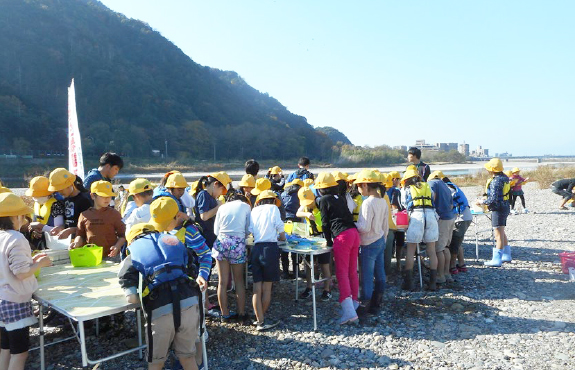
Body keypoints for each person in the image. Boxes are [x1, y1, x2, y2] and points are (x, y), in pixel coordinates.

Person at [118, 197, 209, 370]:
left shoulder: (134, 253)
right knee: (187, 356)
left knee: (157, 361)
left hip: (160, 307)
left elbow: (128, 288)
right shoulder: (173, 242)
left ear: (132, 242)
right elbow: (190, 266)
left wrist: (137, 298)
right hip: (189, 301)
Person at [0, 192, 52, 370]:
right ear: (16, 217)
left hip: (1, 300)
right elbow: (21, 272)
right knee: (20, 352)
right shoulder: (16, 238)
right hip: (14, 301)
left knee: (5, 348)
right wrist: (40, 263)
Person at [315, 172, 360, 325]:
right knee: (352, 271)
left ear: (321, 189)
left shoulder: (323, 200)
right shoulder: (339, 198)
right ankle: (355, 303)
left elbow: (325, 222)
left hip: (342, 237)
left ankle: (348, 312)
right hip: (354, 233)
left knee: (341, 273)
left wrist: (328, 241)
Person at [249, 190, 286, 331]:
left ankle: (258, 319)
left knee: (256, 288)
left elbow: (250, 230)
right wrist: (282, 238)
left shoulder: (255, 210)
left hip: (256, 248)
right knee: (267, 288)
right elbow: (280, 229)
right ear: (272, 200)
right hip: (270, 249)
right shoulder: (274, 208)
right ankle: (262, 321)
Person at [212, 190, 251, 323]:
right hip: (237, 243)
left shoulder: (222, 207)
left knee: (222, 282)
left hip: (221, 242)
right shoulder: (246, 207)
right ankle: (241, 313)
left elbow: (215, 231)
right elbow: (248, 229)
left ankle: (225, 314)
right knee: (239, 280)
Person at [354, 170, 389, 315]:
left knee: (367, 276)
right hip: (380, 239)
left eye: (359, 186)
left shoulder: (367, 203)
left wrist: (351, 225)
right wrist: (384, 239)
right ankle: (377, 303)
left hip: (368, 242)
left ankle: (365, 306)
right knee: (380, 273)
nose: (358, 189)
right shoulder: (382, 200)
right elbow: (385, 225)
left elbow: (364, 227)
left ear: (365, 185)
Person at [400, 169, 439, 291]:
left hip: (416, 216)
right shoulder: (427, 186)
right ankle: (432, 282)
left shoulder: (406, 189)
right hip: (431, 215)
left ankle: (409, 282)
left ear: (406, 180)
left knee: (411, 250)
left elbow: (404, 205)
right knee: (431, 250)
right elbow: (434, 197)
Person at [70, 181, 126, 258]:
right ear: (93, 196)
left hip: (111, 257)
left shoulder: (114, 214)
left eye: (109, 196)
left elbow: (122, 236)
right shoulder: (84, 215)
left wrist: (117, 246)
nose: (107, 199)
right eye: (103, 196)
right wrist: (76, 243)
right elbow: (80, 235)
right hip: (90, 256)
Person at [295, 186, 332, 301]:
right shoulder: (304, 206)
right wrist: (306, 215)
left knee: (324, 264)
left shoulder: (320, 203)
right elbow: (298, 213)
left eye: (310, 202)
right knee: (308, 264)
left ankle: (327, 289)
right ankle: (309, 287)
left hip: (323, 237)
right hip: (311, 238)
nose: (308, 204)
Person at [437, 173, 472, 275]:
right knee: (458, 242)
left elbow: (449, 205)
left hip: (460, 219)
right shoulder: (452, 186)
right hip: (465, 217)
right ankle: (461, 265)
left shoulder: (448, 189)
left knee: (453, 244)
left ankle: (452, 267)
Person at [478, 158, 511, 267]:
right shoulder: (504, 178)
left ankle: (496, 259)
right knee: (501, 231)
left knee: (497, 233)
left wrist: (482, 202)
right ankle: (507, 254)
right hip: (505, 206)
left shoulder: (496, 181)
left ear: (491, 170)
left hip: (498, 209)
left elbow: (492, 199)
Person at [428, 171, 456, 285]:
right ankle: (446, 273)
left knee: (438, 249)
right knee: (445, 247)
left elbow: (432, 198)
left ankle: (440, 275)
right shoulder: (445, 185)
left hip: (442, 218)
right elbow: (451, 204)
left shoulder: (432, 184)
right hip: (450, 217)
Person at [47, 168, 92, 240]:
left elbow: (89, 226)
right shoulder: (66, 199)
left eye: (61, 189)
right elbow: (68, 220)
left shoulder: (84, 200)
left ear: (70, 184)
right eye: (57, 190)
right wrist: (61, 227)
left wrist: (71, 230)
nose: (59, 192)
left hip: (82, 241)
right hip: (70, 240)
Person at [25, 176, 65, 248]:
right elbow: (33, 223)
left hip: (54, 244)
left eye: (38, 195)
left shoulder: (56, 205)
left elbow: (59, 230)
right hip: (39, 243)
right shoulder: (36, 204)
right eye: (34, 195)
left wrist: (41, 227)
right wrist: (34, 231)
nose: (35, 197)